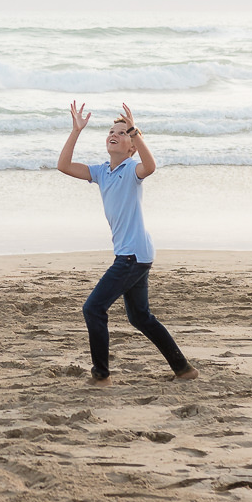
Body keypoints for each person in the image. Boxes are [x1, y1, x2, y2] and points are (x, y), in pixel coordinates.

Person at [57, 101, 198, 387]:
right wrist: (76, 131)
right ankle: (183, 368)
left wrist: (135, 132)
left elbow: (151, 166)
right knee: (140, 317)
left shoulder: (133, 169)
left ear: (131, 145)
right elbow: (63, 166)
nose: (115, 134)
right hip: (135, 253)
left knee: (93, 308)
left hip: (133, 255)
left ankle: (101, 376)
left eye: (122, 133)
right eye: (112, 130)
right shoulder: (101, 172)